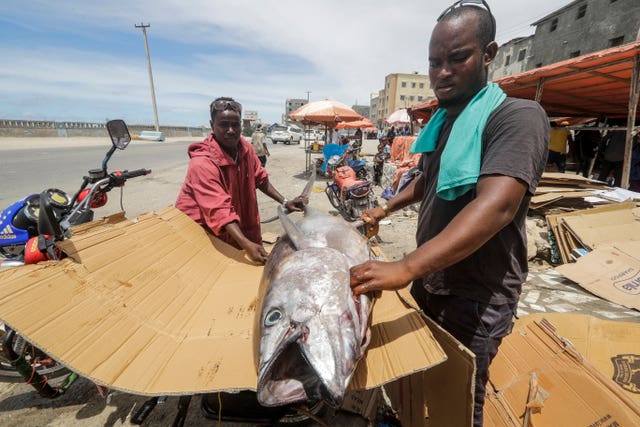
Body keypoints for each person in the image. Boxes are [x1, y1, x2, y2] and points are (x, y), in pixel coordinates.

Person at [349, 3, 548, 427]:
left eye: (458, 58)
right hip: (433, 280)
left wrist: (404, 266)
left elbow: (497, 206)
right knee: (423, 378)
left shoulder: (516, 118)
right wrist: (384, 207)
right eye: (435, 62)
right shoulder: (445, 123)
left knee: (460, 401)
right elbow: (427, 180)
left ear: (489, 54)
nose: (442, 72)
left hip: (478, 293)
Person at [175, 97, 306, 265]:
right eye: (223, 124)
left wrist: (285, 201)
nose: (230, 130)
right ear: (212, 125)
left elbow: (260, 179)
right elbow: (219, 210)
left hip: (234, 222)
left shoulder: (245, 149)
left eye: (235, 125)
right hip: (203, 231)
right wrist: (245, 243)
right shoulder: (202, 163)